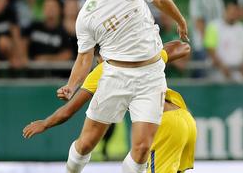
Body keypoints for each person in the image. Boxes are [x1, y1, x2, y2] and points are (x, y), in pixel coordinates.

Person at [58, 0, 188, 173]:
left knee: (141, 151)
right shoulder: (85, 17)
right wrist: (71, 85)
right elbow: (84, 58)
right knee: (86, 144)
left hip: (151, 76)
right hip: (115, 76)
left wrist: (180, 21)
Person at [23, 40, 196, 173]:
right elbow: (182, 47)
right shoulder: (140, 58)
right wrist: (156, 49)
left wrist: (45, 123)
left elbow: (69, 110)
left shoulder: (105, 69)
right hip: (185, 119)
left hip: (165, 125)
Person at [204, 1, 243, 82]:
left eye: (235, 12)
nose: (232, 14)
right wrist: (222, 66)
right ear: (224, 11)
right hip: (218, 73)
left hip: (238, 74)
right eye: (230, 11)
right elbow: (210, 49)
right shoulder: (213, 26)